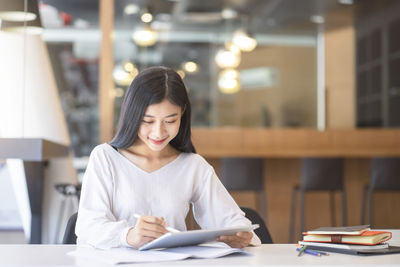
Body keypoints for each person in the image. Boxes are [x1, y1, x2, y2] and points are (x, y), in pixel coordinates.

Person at [75, 66, 261, 249]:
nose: (158, 132)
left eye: (170, 121)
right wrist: (129, 235)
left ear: (183, 113)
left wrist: (242, 236)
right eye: (148, 121)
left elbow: (232, 220)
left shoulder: (193, 166)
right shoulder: (105, 158)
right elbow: (87, 227)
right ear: (132, 115)